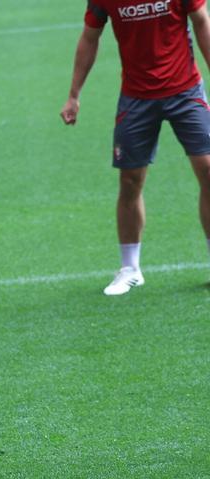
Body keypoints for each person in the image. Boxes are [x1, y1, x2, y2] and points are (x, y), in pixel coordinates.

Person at [61, 0, 210, 295]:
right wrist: (73, 95)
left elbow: (202, 22)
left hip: (186, 92)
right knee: (130, 182)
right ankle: (130, 269)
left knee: (208, 171)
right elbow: (90, 37)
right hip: (136, 98)